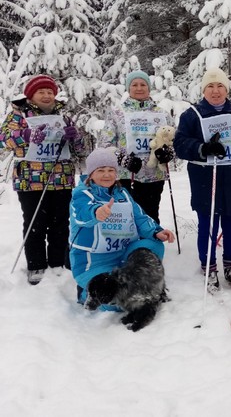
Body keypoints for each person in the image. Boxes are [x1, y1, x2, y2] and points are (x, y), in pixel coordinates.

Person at [174, 68, 231, 292]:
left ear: (227, 89)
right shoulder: (192, 115)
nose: (216, 91)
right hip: (206, 180)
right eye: (211, 87)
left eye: (220, 86)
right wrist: (203, 148)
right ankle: (209, 267)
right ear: (204, 89)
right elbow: (180, 145)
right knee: (208, 226)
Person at [0, 74, 85, 285]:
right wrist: (25, 135)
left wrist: (75, 137)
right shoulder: (18, 116)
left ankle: (58, 262)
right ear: (31, 95)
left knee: (60, 223)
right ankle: (36, 264)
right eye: (41, 92)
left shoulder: (63, 117)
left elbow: (80, 149)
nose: (47, 96)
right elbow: (3, 140)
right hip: (30, 180)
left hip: (61, 179)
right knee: (35, 223)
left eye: (50, 92)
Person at [69, 147, 175, 307]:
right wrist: (96, 212)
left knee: (154, 245)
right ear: (91, 174)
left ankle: (142, 283)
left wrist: (156, 232)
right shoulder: (82, 194)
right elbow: (82, 213)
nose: (107, 175)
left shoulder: (122, 193)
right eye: (101, 170)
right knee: (115, 302)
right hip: (93, 262)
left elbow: (139, 217)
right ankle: (87, 291)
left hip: (123, 256)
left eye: (111, 170)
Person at [99, 70, 176, 223]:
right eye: (134, 84)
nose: (139, 88)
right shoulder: (117, 113)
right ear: (128, 88)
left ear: (149, 88)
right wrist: (122, 160)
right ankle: (130, 246)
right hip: (127, 174)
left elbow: (174, 140)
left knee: (150, 215)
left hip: (154, 175)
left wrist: (168, 153)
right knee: (128, 216)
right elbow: (104, 144)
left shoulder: (162, 113)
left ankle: (150, 245)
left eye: (143, 84)